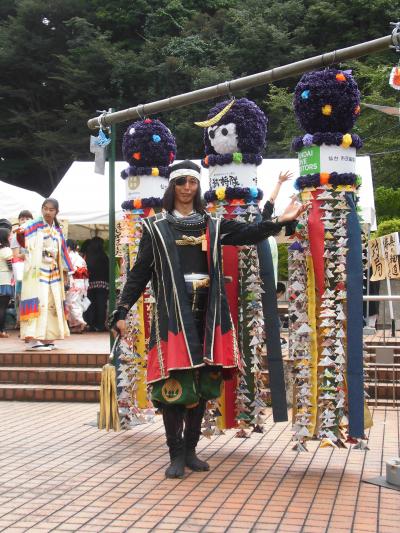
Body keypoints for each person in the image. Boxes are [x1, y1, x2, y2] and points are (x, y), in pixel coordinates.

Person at [112, 160, 305, 479]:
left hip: (209, 315)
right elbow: (139, 274)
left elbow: (248, 232)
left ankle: (191, 451)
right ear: (171, 187)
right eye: (181, 182)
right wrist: (120, 310)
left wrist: (278, 222)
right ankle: (174, 454)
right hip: (173, 316)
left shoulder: (212, 223)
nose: (188, 187)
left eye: (192, 182)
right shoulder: (155, 227)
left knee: (202, 385)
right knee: (173, 386)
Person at [20, 198, 73, 351]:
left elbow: (62, 250)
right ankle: (32, 338)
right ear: (41, 209)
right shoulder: (34, 224)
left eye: (51, 210)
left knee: (52, 302)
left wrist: (68, 270)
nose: (47, 212)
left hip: (53, 271)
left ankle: (48, 336)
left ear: (57, 211)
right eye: (45, 208)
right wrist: (20, 232)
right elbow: (20, 235)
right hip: (37, 270)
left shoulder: (57, 229)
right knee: (39, 300)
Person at [10, 210, 34, 327]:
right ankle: (20, 320)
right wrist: (27, 255)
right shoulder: (16, 236)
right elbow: (15, 255)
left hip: (33, 269)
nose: (24, 221)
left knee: (32, 294)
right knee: (20, 294)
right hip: (22, 269)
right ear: (19, 221)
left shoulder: (34, 234)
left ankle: (30, 319)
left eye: (27, 218)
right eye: (22, 219)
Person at [83, 237, 109, 332]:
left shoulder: (88, 256)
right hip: (103, 285)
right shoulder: (104, 256)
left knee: (91, 305)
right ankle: (100, 324)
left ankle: (91, 324)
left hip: (91, 284)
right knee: (101, 305)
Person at [65, 239, 89, 333]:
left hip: (74, 282)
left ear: (68, 247)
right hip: (81, 282)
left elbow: (71, 270)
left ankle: (80, 322)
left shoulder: (70, 256)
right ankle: (77, 326)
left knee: (72, 303)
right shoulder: (79, 257)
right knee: (76, 303)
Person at [0, 228, 13, 338]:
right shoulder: (7, 250)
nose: (11, 237)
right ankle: (2, 331)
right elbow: (10, 267)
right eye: (10, 235)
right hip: (4, 280)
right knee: (2, 307)